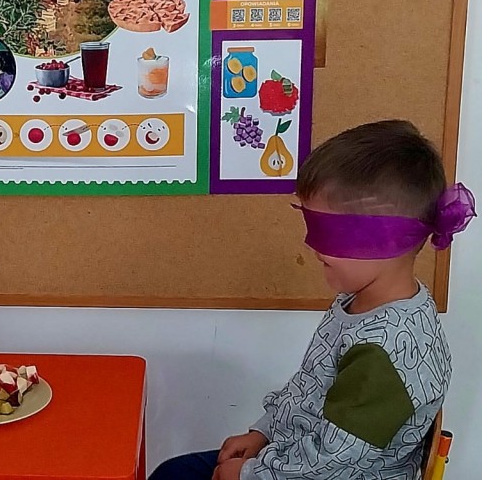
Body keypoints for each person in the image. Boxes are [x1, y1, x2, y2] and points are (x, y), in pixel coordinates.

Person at [149, 120, 475, 480]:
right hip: (296, 453)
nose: (313, 246)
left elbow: (332, 462)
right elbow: (309, 386)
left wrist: (249, 474)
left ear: (388, 239)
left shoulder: (385, 354)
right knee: (173, 473)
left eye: (329, 233)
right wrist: (263, 432)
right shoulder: (358, 302)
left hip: (327, 472)